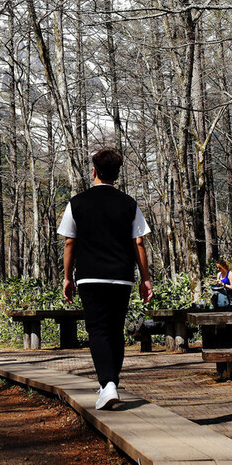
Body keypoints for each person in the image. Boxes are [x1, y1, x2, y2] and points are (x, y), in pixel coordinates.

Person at [60, 148, 153, 411]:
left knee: (98, 331)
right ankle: (109, 383)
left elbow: (69, 242)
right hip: (122, 277)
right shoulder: (129, 203)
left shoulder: (77, 203)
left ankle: (108, 384)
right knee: (114, 330)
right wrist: (146, 279)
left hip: (89, 277)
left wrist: (68, 278)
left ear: (94, 171)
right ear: (117, 174)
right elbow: (139, 243)